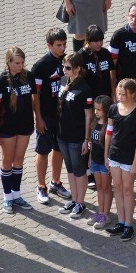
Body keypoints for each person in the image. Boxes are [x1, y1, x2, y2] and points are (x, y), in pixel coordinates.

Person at [0, 47, 37, 214]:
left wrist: (37, 117)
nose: (20, 66)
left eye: (22, 63)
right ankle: (7, 197)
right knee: (7, 161)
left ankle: (16, 195)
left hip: (25, 125)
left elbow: (35, 98)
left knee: (19, 160)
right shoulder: (0, 81)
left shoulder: (28, 76)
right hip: (7, 127)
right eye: (17, 63)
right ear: (9, 62)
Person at [31, 28, 71, 204]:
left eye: (64, 44)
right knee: (43, 151)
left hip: (62, 115)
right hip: (46, 116)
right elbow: (35, 95)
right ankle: (41, 186)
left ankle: (55, 182)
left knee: (59, 149)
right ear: (49, 45)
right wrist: (38, 118)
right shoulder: (40, 66)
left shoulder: (67, 61)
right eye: (58, 45)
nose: (62, 48)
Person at [104, 79, 136, 241]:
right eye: (118, 93)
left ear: (132, 94)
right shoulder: (113, 108)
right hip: (114, 155)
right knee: (118, 189)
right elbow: (108, 132)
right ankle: (120, 222)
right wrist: (106, 155)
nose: (120, 97)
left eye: (123, 94)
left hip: (129, 158)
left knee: (128, 190)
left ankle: (129, 225)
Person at [55, 52, 95, 219]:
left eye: (68, 67)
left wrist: (87, 139)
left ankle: (81, 202)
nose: (64, 70)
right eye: (63, 66)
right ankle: (74, 199)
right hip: (62, 134)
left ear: (78, 68)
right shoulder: (64, 81)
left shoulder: (84, 89)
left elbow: (89, 116)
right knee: (70, 168)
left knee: (79, 169)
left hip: (77, 136)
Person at [87, 95, 113, 229]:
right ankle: (100, 212)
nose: (96, 112)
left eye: (99, 110)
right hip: (95, 161)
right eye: (95, 109)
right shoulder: (94, 122)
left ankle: (106, 215)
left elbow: (108, 146)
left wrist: (106, 159)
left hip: (105, 162)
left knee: (106, 187)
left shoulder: (109, 125)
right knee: (99, 187)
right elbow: (92, 143)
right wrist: (90, 158)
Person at [78, 25, 117, 100]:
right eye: (96, 41)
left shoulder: (106, 53)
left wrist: (113, 92)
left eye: (101, 40)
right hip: (90, 96)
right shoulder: (81, 55)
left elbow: (112, 71)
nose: (99, 43)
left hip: (105, 95)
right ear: (88, 40)